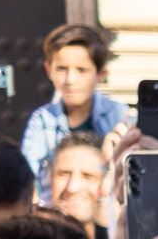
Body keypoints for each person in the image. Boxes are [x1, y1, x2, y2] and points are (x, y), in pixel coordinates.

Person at [16, 18, 127, 184]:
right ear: (49, 70)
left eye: (81, 70)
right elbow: (29, 177)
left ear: (100, 74)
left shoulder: (119, 116)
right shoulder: (42, 120)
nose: (70, 80)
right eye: (62, 69)